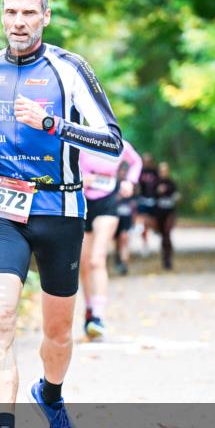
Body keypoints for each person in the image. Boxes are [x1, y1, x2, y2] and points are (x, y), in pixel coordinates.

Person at [0, 0, 123, 428]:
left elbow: (112, 141)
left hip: (61, 207)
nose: (19, 21)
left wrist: (54, 125)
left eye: (29, 12)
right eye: (11, 12)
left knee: (57, 335)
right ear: (2, 16)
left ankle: (50, 394)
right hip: (5, 205)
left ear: (45, 17)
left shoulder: (69, 69)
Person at [78, 139, 141, 338]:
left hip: (107, 203)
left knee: (98, 259)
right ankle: (89, 310)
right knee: (83, 263)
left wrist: (130, 182)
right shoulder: (79, 138)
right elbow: (59, 162)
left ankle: (98, 316)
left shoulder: (118, 143)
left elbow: (136, 162)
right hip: (81, 202)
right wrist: (79, 177)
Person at [154, 161, 179, 270]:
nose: (163, 172)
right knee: (163, 235)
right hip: (159, 213)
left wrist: (176, 198)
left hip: (170, 212)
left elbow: (176, 195)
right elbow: (151, 196)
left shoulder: (171, 183)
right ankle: (165, 257)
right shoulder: (155, 183)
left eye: (165, 170)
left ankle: (168, 258)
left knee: (167, 233)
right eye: (161, 170)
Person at [113, 162, 136, 276]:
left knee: (124, 238)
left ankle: (124, 264)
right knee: (117, 241)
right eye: (121, 170)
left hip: (127, 217)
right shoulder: (114, 184)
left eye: (125, 171)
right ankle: (118, 260)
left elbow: (136, 202)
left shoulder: (131, 185)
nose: (123, 173)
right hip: (115, 217)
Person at [136, 152, 159, 256]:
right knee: (144, 222)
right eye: (144, 161)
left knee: (153, 222)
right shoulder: (140, 171)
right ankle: (145, 243)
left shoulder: (155, 172)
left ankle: (155, 232)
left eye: (148, 161)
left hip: (154, 200)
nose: (146, 163)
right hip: (143, 199)